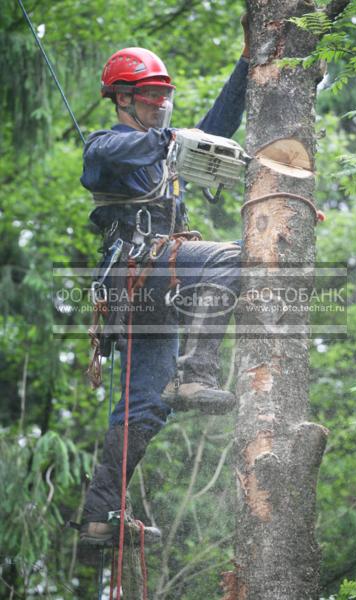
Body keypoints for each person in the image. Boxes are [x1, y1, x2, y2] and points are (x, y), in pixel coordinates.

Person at [79, 18, 249, 544]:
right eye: (151, 96)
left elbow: (214, 129)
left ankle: (98, 518)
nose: (160, 104)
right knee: (236, 257)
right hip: (140, 273)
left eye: (164, 96)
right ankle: (196, 370)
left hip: (151, 287)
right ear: (122, 98)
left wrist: (246, 64)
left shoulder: (164, 147)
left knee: (146, 405)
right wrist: (169, 139)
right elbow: (111, 155)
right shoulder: (109, 147)